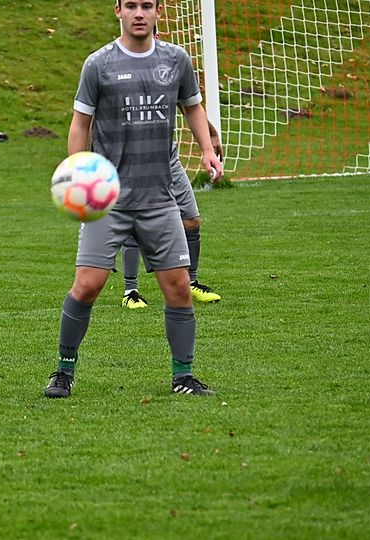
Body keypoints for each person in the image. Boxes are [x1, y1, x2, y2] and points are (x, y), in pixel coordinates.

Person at [45, 0, 223, 398]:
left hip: (160, 198)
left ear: (158, 12)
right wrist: (78, 173)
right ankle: (63, 371)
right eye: (131, 5)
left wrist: (207, 149)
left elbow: (193, 108)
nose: (138, 13)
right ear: (118, 11)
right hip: (108, 200)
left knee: (178, 286)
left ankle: (183, 377)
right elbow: (80, 123)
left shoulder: (176, 60)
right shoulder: (98, 64)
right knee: (87, 285)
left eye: (146, 5)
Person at [121, 132, 223, 309]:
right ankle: (130, 292)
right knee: (133, 221)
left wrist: (211, 135)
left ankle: (191, 282)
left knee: (191, 220)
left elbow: (192, 113)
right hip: (132, 160)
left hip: (168, 160)